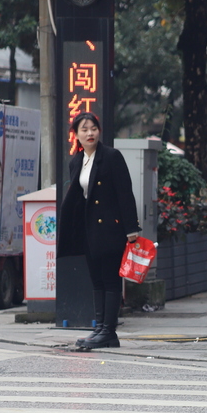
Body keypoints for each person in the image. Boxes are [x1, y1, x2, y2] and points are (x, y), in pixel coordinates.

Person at [57, 112, 141, 350]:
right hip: (88, 230)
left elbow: (125, 193)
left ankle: (108, 331)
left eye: (93, 128)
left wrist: (131, 228)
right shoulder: (76, 161)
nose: (90, 133)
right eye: (84, 130)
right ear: (76, 135)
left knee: (110, 280)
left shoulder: (112, 157)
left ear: (99, 131)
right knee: (96, 280)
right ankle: (100, 328)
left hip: (110, 230)